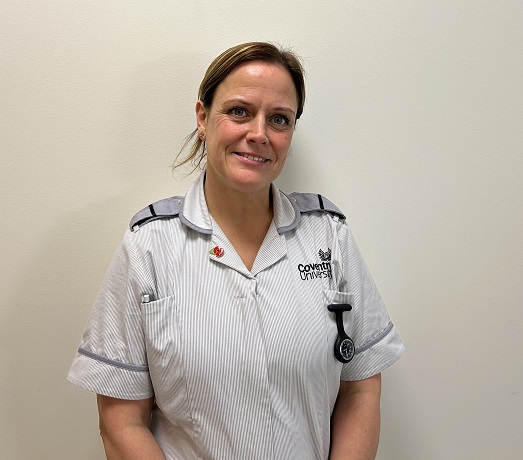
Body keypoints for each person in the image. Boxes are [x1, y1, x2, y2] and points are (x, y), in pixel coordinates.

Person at [68, 41, 404, 460]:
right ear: (203, 118)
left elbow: (361, 387)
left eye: (278, 119)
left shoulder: (329, 236)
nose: (259, 134)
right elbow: (120, 420)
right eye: (239, 111)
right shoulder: (149, 246)